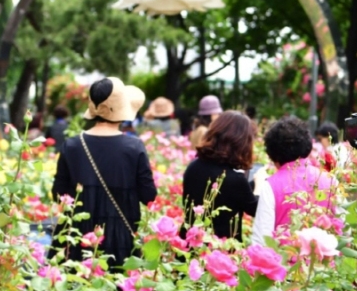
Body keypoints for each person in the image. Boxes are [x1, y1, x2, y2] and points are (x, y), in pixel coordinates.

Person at [51, 77, 157, 268]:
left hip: (76, 236)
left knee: (72, 290)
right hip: (120, 239)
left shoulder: (72, 145)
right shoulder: (134, 147)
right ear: (123, 109)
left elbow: (59, 194)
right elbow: (148, 195)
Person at [250, 116, 335, 245]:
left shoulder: (271, 185)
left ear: (272, 154)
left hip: (285, 261)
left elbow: (261, 240)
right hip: (323, 262)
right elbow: (344, 230)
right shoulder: (330, 180)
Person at [181, 111, 258, 241]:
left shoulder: (194, 166)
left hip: (191, 242)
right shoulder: (235, 179)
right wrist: (259, 183)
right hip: (220, 251)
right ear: (241, 142)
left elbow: (224, 193)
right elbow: (255, 209)